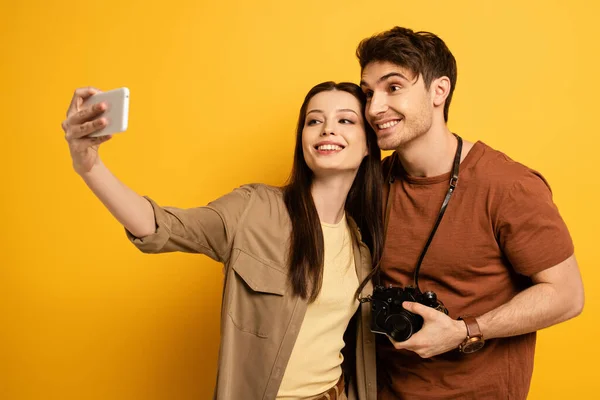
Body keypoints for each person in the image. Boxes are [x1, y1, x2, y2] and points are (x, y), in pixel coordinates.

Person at [60, 81, 383, 400]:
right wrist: (91, 167)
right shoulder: (254, 208)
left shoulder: (359, 243)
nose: (327, 129)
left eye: (345, 120)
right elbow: (162, 226)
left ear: (369, 143)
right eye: (314, 120)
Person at [355, 27, 584, 399]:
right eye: (368, 93)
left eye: (393, 87)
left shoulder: (508, 186)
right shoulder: (369, 185)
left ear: (438, 91)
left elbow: (567, 295)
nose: (374, 108)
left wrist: (465, 331)